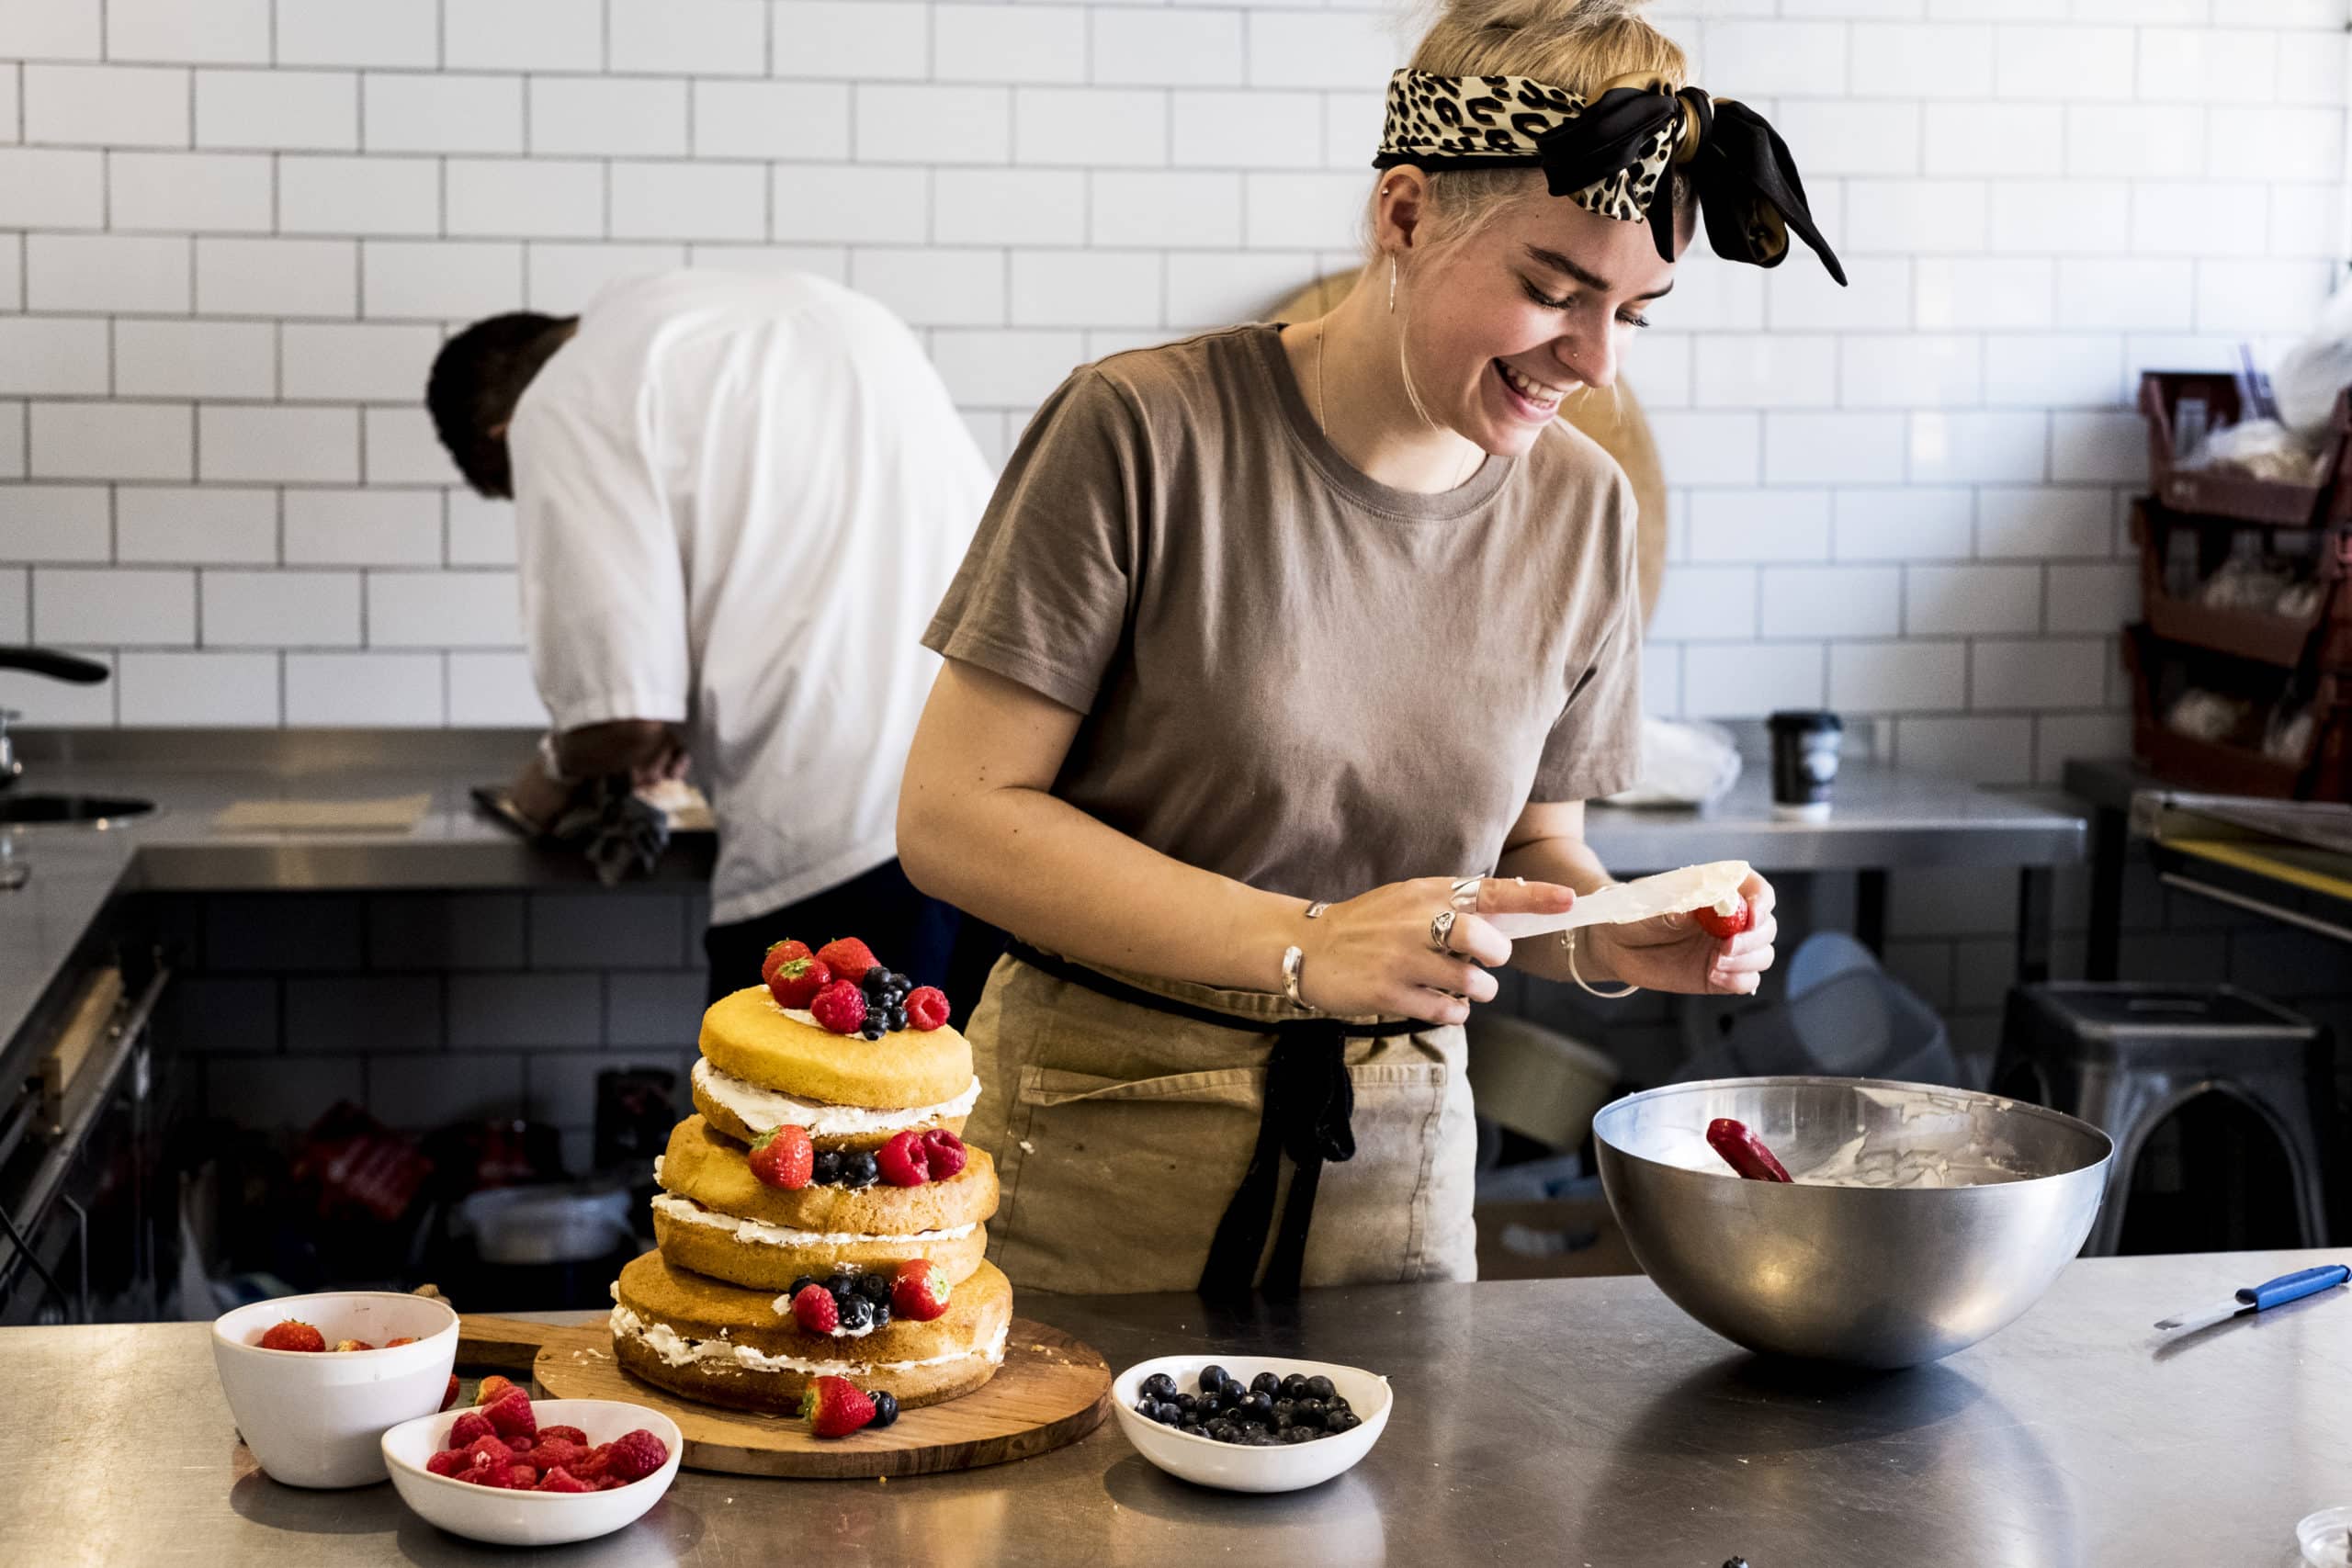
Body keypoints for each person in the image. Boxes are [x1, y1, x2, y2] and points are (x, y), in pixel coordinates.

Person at [896, 0, 1844, 1296]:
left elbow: (1529, 855)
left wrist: (1606, 930)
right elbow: (954, 818)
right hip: (1095, 1142)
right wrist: (1302, 941)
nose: (1596, 363)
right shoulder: (1144, 431)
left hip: (1394, 1170)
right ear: (1403, 213)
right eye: (1550, 291)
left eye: (1636, 312)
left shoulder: (1584, 508)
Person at [425, 270, 998, 1008]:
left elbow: (620, 721)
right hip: (1002, 806)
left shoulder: (566, 398)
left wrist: (552, 774)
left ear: (504, 437)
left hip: (836, 840)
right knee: (968, 1082)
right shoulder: (820, 315)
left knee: (791, 1086)